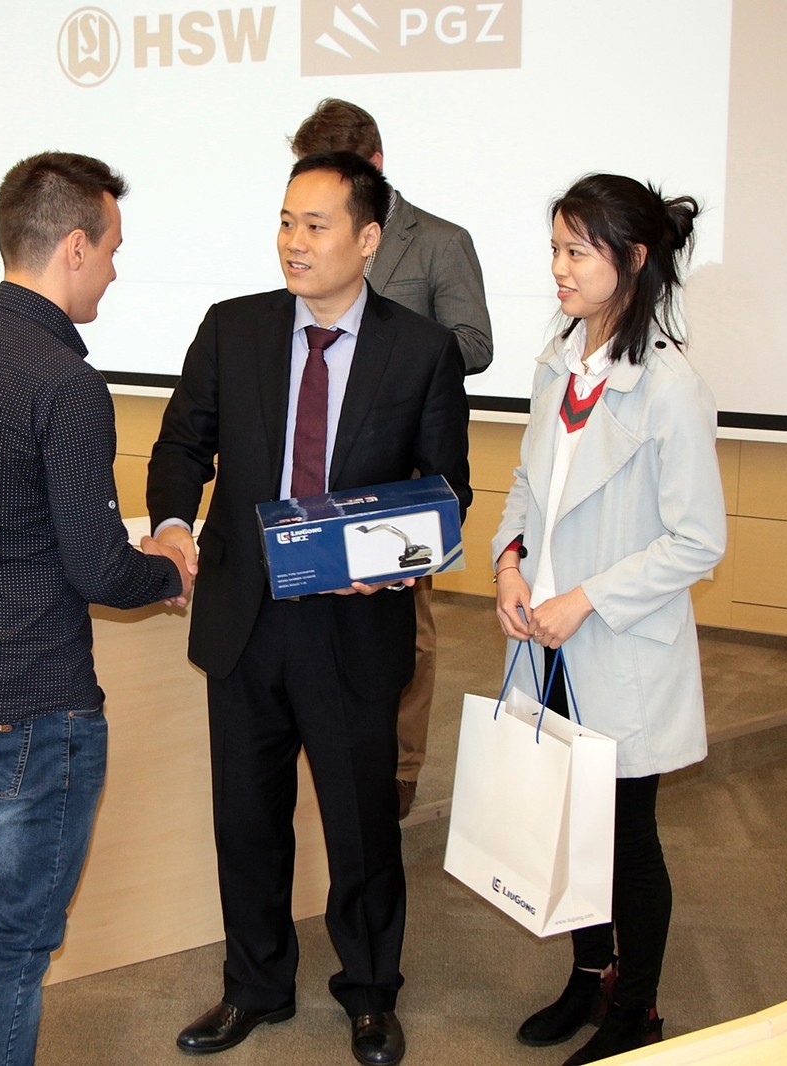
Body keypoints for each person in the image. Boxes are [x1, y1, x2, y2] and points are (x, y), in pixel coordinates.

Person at [148, 150, 471, 1066]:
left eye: (316, 225)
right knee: (247, 820)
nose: (294, 241)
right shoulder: (233, 329)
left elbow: (447, 487)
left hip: (352, 622)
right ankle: (254, 986)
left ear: (368, 240)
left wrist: (395, 559)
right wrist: (172, 526)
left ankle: (369, 992)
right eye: (286, 221)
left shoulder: (421, 350)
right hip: (245, 616)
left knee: (360, 826)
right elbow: (183, 445)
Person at [0, 151, 192, 1066]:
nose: (117, 271)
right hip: (32, 706)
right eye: (113, 250)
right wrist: (168, 571)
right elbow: (97, 566)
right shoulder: (65, 383)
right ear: (75, 248)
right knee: (12, 945)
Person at [490, 174, 726, 1065]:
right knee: (569, 824)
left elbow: (698, 541)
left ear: (631, 259)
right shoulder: (559, 362)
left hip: (616, 643)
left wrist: (583, 599)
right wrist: (508, 564)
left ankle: (639, 1009)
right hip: (545, 641)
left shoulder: (669, 386)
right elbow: (528, 485)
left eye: (576, 251)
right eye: (555, 248)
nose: (558, 267)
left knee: (627, 838)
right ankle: (590, 977)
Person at [290, 97, 493, 820]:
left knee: (409, 626)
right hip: (318, 456)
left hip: (400, 471)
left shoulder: (439, 240)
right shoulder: (310, 239)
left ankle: (401, 764)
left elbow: (475, 342)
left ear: (374, 164)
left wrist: (396, 353)